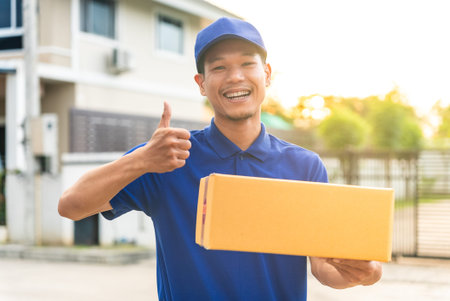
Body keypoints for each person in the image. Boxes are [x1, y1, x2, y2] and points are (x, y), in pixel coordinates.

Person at [59, 17, 381, 300]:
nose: (235, 77)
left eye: (247, 64)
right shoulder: (167, 158)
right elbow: (71, 204)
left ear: (266, 74)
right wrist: (141, 160)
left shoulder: (305, 167)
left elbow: (322, 266)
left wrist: (362, 274)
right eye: (219, 67)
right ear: (201, 83)